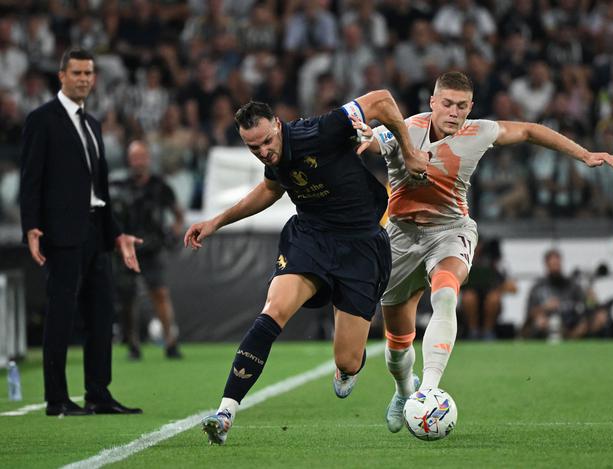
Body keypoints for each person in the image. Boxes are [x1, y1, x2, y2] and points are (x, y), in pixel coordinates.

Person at [354, 70, 613, 433]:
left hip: (450, 231)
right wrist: (364, 135)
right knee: (398, 343)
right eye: (447, 103)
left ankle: (430, 391)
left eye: (462, 106)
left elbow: (529, 130)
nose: (454, 112)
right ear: (433, 102)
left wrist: (584, 154)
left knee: (446, 293)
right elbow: (374, 140)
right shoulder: (406, 129)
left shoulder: (479, 131)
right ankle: (406, 391)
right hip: (400, 237)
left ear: (471, 107)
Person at [183, 90, 427, 445]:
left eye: (267, 141)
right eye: (254, 148)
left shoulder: (320, 130)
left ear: (278, 126)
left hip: (361, 246)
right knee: (274, 310)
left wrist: (408, 150)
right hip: (310, 238)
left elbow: (383, 100)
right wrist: (216, 222)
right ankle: (225, 413)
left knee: (347, 360)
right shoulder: (273, 155)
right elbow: (270, 189)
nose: (264, 151)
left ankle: (352, 371)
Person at [19, 48, 143, 416]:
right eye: (77, 73)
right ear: (61, 75)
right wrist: (31, 225)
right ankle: (56, 399)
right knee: (60, 315)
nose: (85, 79)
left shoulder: (92, 124)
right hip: (61, 232)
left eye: (89, 73)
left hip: (96, 232)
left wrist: (117, 234)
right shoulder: (41, 120)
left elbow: (99, 188)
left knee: (101, 314)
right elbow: (31, 180)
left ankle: (98, 394)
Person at [110, 140, 184, 360]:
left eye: (142, 157)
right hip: (127, 248)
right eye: (134, 157)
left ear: (148, 158)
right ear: (129, 160)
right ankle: (132, 344)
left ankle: (170, 341)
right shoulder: (119, 187)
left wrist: (174, 231)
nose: (138, 162)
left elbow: (178, 214)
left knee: (159, 293)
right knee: (127, 298)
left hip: (152, 246)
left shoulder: (160, 186)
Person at [521, 249, 610, 340]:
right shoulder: (538, 288)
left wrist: (591, 300)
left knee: (600, 318)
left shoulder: (572, 286)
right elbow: (529, 313)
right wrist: (545, 307)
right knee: (541, 322)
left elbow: (587, 306)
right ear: (546, 265)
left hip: (573, 326)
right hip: (550, 326)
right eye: (552, 265)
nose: (555, 267)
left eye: (557, 264)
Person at [459, 238, 517, 340]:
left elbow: (513, 288)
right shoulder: (463, 261)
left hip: (491, 306)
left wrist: (498, 289)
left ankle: (488, 332)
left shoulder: (495, 263)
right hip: (469, 306)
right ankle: (473, 332)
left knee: (493, 298)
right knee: (469, 297)